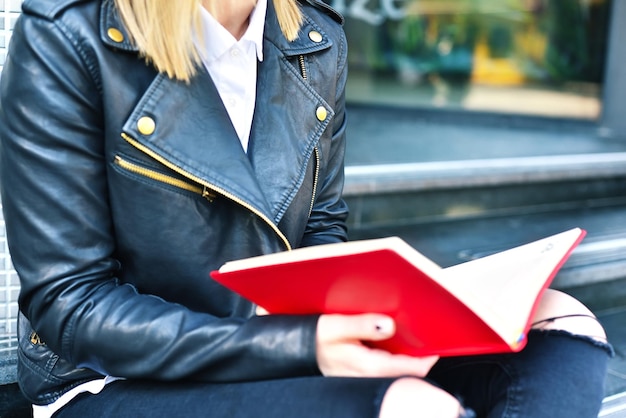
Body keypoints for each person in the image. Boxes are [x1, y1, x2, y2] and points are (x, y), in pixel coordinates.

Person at [0, 0, 611, 417]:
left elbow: (321, 224)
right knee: (410, 408)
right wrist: (301, 345)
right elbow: (70, 305)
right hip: (116, 380)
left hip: (284, 338)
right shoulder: (67, 37)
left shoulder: (314, 38)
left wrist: (390, 310)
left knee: (562, 324)